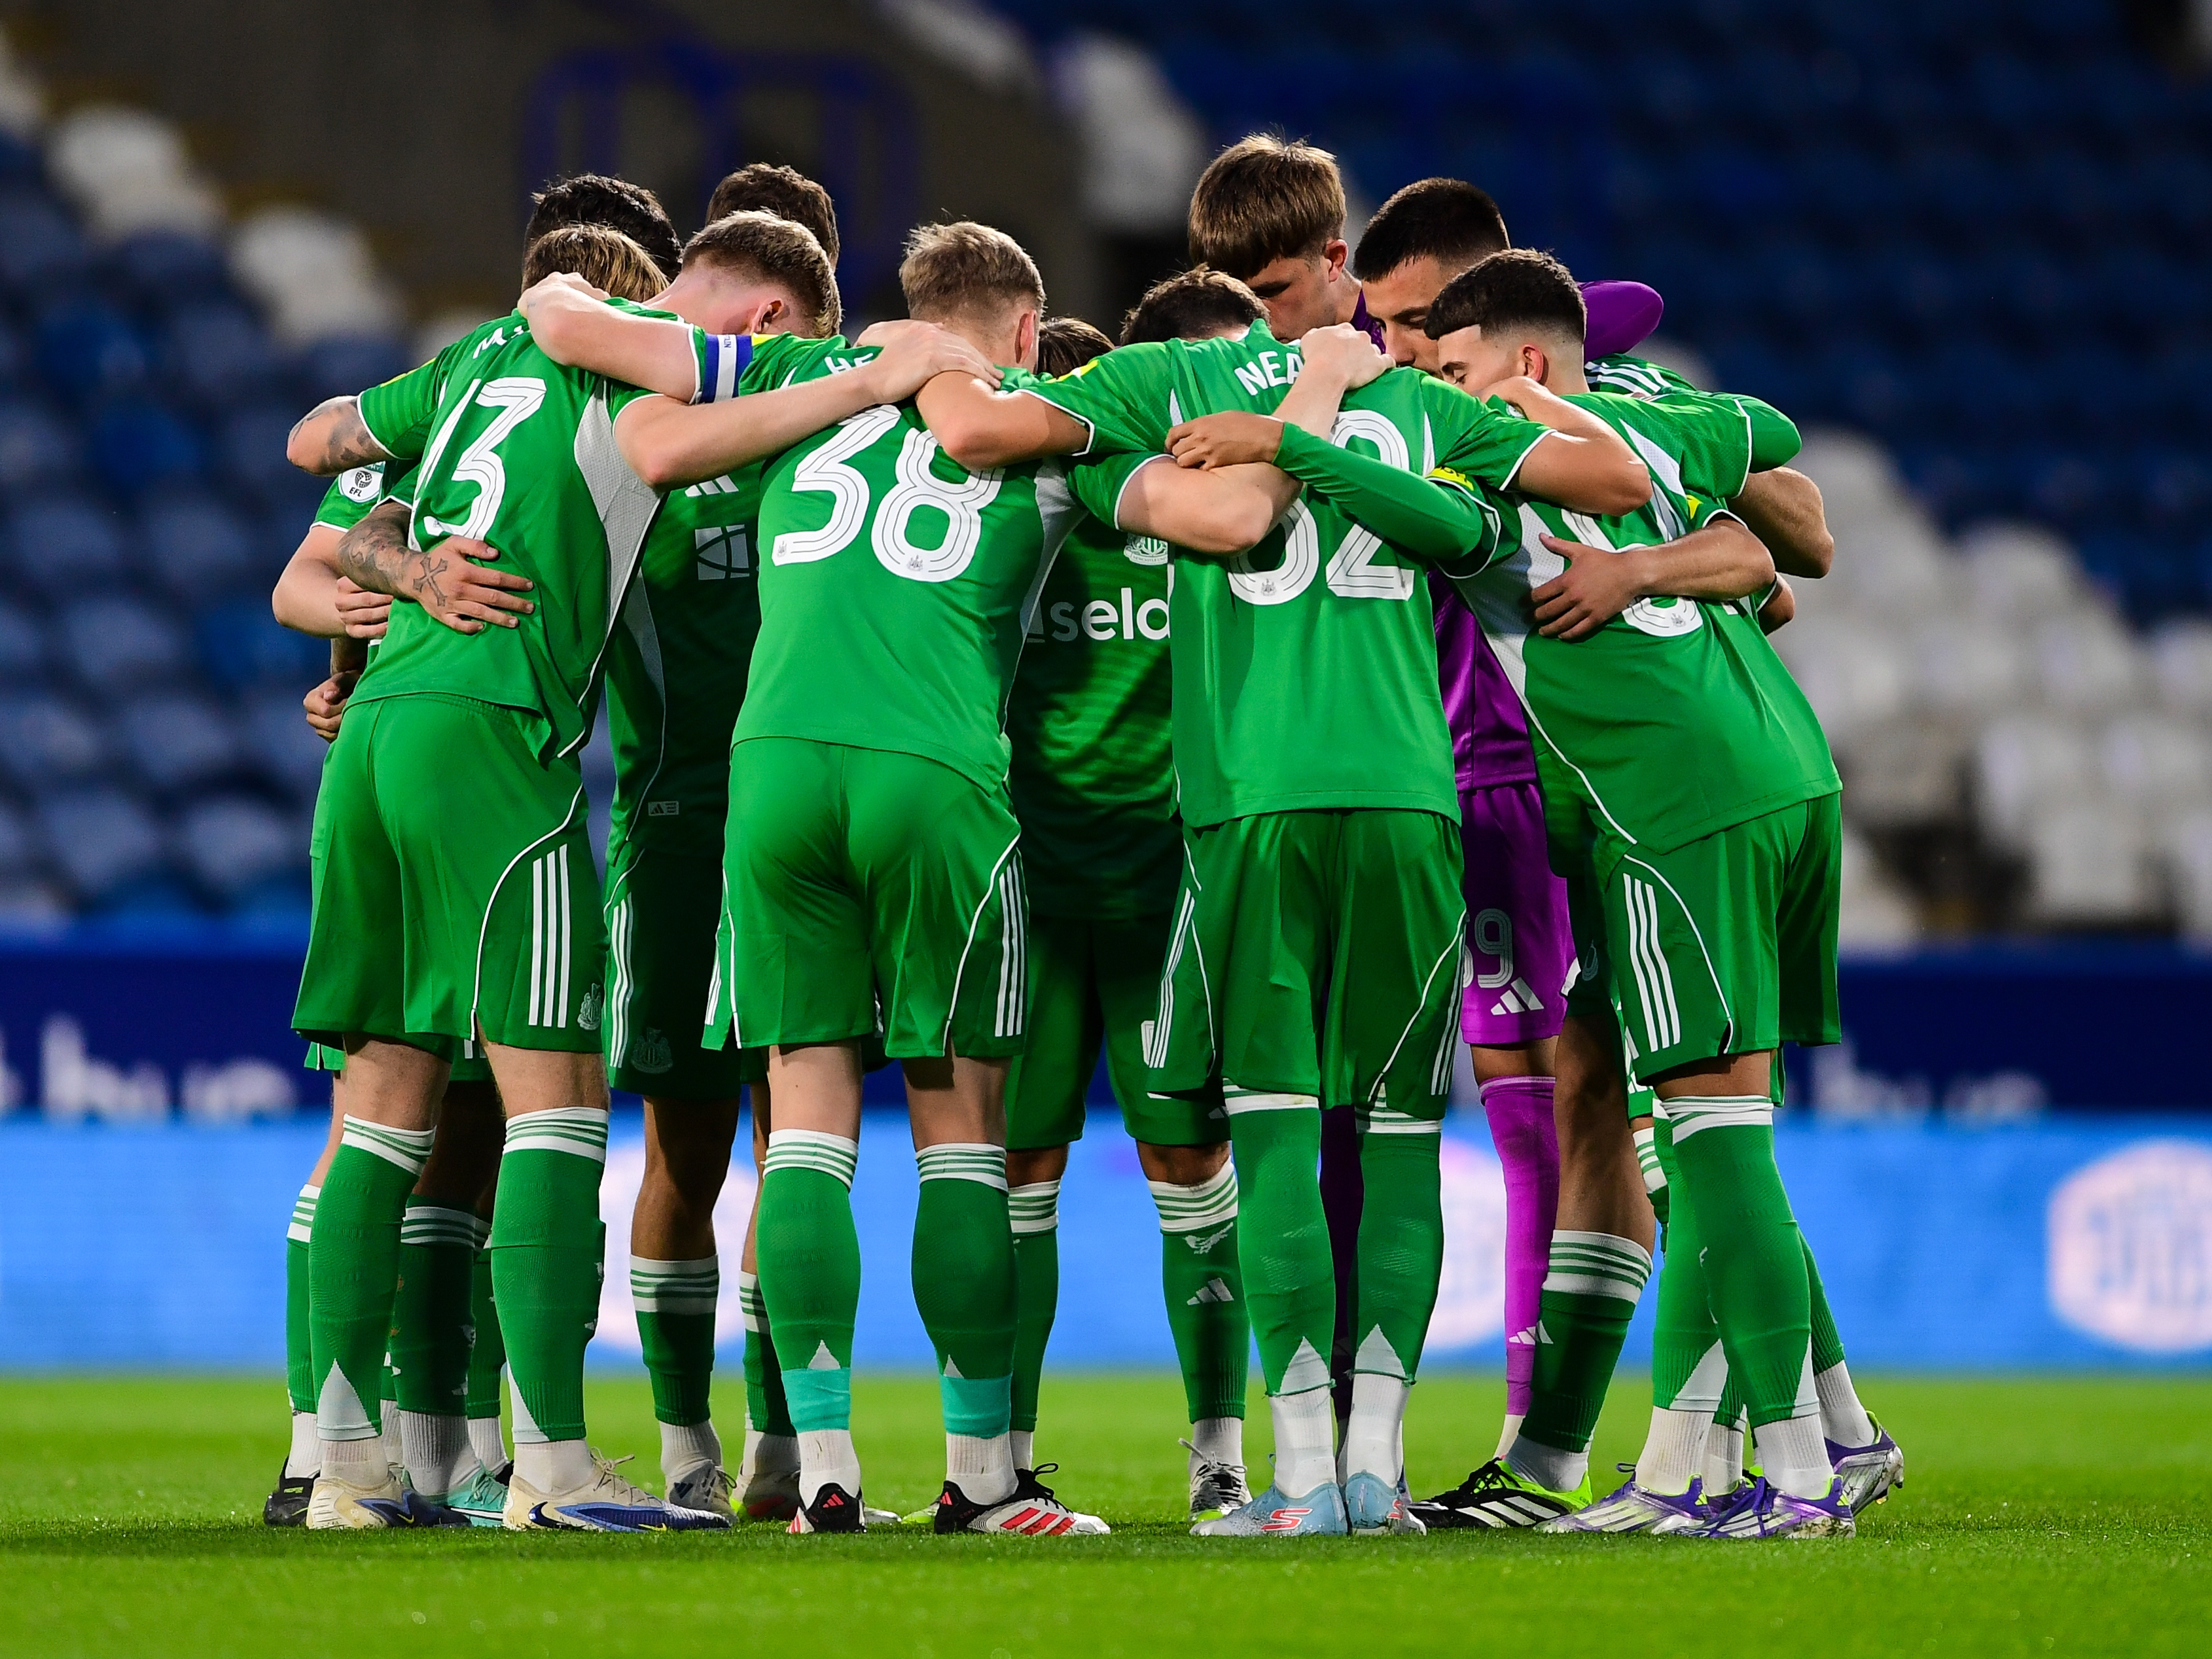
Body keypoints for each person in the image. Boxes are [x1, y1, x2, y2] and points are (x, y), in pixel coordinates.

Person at [520, 219, 1287, 1535]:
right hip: (933, 773)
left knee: (805, 1121)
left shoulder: (805, 385)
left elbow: (644, 438)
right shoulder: (1054, 419)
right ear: (1029, 334)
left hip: (770, 773)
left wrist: (864, 373)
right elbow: (1213, 515)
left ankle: (817, 1468)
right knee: (959, 1136)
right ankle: (983, 1477)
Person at [908, 251, 1650, 1535]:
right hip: (1410, 801)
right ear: (1334, 270)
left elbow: (995, 428)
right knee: (1402, 1138)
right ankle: (1376, 1468)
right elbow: (1599, 487)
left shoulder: (1150, 401)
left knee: (1271, 1140)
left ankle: (1297, 1475)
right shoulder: (1419, 404)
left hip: (1247, 808)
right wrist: (1507, 406)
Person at [1175, 248, 1857, 1541]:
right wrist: (1647, 549)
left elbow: (1782, 550)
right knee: (1671, 1112)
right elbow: (1779, 548)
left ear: (1517, 354)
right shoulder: (1648, 413)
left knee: (1691, 1127)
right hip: (1748, 772)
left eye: (1444, 354)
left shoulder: (1478, 446)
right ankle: (1757, 1442)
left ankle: (1792, 1466)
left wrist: (1294, 431)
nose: (1423, 369)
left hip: (1648, 799)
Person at [283, 213, 867, 1532]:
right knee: (557, 1101)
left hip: (371, 736)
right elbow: (669, 412)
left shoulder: (458, 372)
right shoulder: (623, 366)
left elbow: (317, 446)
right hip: (496, 743)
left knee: (382, 1104)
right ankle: (550, 1469)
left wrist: (398, 562)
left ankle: (345, 1468)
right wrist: (875, 374)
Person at [993, 296, 1262, 1527]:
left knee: (1191, 1167)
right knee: (1016, 1171)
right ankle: (1003, 1455)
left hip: (1166, 884)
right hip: (1035, 887)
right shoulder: (998, 525)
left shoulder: (1184, 522)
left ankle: (1219, 1457)